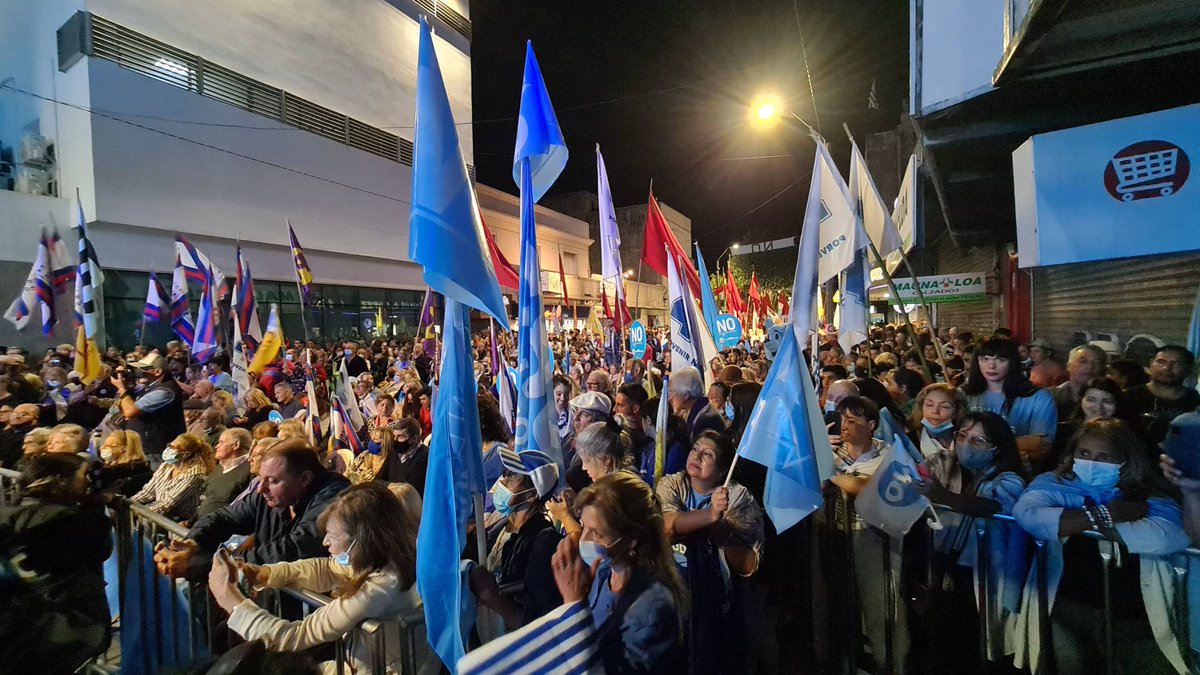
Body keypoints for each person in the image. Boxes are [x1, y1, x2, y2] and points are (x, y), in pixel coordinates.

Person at [1012, 418, 1191, 674]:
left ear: (1126, 460)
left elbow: (1165, 536)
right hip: (1069, 605)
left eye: (1105, 457)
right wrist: (1106, 515)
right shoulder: (1056, 482)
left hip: (1134, 616)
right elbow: (1029, 515)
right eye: (1084, 453)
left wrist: (1072, 520)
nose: (1092, 462)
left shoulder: (1149, 492)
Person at [209, 482, 428, 674]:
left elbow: (295, 637)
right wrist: (267, 574)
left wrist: (231, 600)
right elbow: (327, 569)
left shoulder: (380, 587)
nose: (326, 543)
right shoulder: (389, 560)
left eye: (333, 536)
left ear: (363, 540)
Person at [914, 412, 1027, 670]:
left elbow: (990, 506)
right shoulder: (959, 473)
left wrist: (942, 496)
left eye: (977, 440)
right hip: (955, 567)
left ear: (997, 449)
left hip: (987, 572)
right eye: (962, 436)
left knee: (976, 640)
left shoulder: (1008, 479)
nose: (966, 444)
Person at [155, 439, 351, 581]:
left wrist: (208, 564)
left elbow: (296, 548)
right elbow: (226, 518)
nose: (261, 489)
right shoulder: (266, 494)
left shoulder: (336, 498)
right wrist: (193, 543)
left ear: (305, 479)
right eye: (261, 478)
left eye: (273, 481)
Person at [550, 472, 688, 672]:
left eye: (597, 533)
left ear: (632, 538)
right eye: (583, 527)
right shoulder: (604, 570)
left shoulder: (652, 610)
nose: (585, 539)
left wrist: (573, 604)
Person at [658, 430, 765, 673]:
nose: (697, 456)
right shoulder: (673, 483)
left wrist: (719, 526)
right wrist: (709, 515)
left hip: (721, 599)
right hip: (675, 591)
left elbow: (748, 564)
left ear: (721, 471)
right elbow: (666, 527)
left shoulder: (738, 497)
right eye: (695, 449)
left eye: (708, 455)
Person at [0, 454, 113, 672]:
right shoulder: (68, 521)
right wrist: (98, 501)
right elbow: (99, 547)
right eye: (83, 475)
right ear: (60, 480)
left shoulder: (9, 514)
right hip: (57, 625)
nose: (89, 481)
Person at [470, 447, 564, 628]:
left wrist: (493, 596)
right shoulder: (498, 527)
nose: (502, 483)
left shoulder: (543, 540)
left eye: (512, 478)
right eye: (504, 475)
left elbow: (538, 610)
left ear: (532, 494)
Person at [963, 336, 1058, 474]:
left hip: (1016, 473)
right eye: (984, 359)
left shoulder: (1038, 397)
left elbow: (1041, 445)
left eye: (1000, 360)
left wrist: (984, 446)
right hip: (971, 471)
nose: (991, 366)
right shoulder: (966, 394)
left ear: (1012, 362)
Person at [112, 354, 186, 459]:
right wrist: (127, 388)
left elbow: (130, 411)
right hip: (144, 448)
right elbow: (124, 409)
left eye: (142, 369)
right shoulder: (150, 387)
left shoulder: (166, 391)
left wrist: (122, 389)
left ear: (158, 372)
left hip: (155, 451)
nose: (138, 373)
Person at [1125, 346, 1200, 446]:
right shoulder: (1127, 397)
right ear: (1151, 363)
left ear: (1188, 369)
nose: (1167, 368)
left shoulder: (1196, 403)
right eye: (1161, 361)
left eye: (1176, 363)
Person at [130, 433, 215, 521]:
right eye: (170, 445)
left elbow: (168, 504)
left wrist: (138, 513)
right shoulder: (166, 466)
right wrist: (129, 503)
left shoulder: (196, 474)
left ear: (187, 454)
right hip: (160, 512)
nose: (169, 449)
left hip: (180, 519)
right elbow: (148, 492)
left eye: (175, 448)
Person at [195, 427, 254, 519]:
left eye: (221, 442)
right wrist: (190, 521)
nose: (216, 446)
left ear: (235, 445)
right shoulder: (221, 466)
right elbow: (207, 498)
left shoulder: (251, 470)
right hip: (201, 523)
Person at [909, 383, 967, 464]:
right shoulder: (909, 442)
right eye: (929, 405)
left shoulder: (967, 440)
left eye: (944, 406)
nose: (935, 411)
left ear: (958, 411)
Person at [1052, 344, 1110, 423]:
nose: (1090, 366)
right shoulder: (1050, 398)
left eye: (1097, 362)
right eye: (1083, 361)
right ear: (1068, 365)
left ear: (1103, 369)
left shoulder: (1111, 402)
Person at [668, 367, 726, 444]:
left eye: (672, 392)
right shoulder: (694, 410)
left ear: (686, 395)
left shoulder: (707, 419)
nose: (670, 398)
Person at [96, 429, 153, 497]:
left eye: (107, 446)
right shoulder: (143, 466)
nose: (102, 448)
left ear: (122, 449)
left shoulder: (118, 471)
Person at [0, 402, 40, 468]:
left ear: (35, 419)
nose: (17, 416)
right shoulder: (5, 433)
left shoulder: (34, 436)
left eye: (24, 414)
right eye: (14, 413)